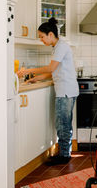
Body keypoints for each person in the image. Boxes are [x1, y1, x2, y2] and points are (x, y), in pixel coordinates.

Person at [17, 18, 79, 165]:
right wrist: (35, 78)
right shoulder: (59, 47)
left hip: (65, 91)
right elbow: (53, 70)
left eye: (42, 36)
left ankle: (64, 156)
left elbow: (51, 68)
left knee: (62, 124)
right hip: (67, 90)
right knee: (64, 123)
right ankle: (65, 153)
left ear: (50, 34)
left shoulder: (61, 47)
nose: (41, 40)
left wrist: (28, 71)